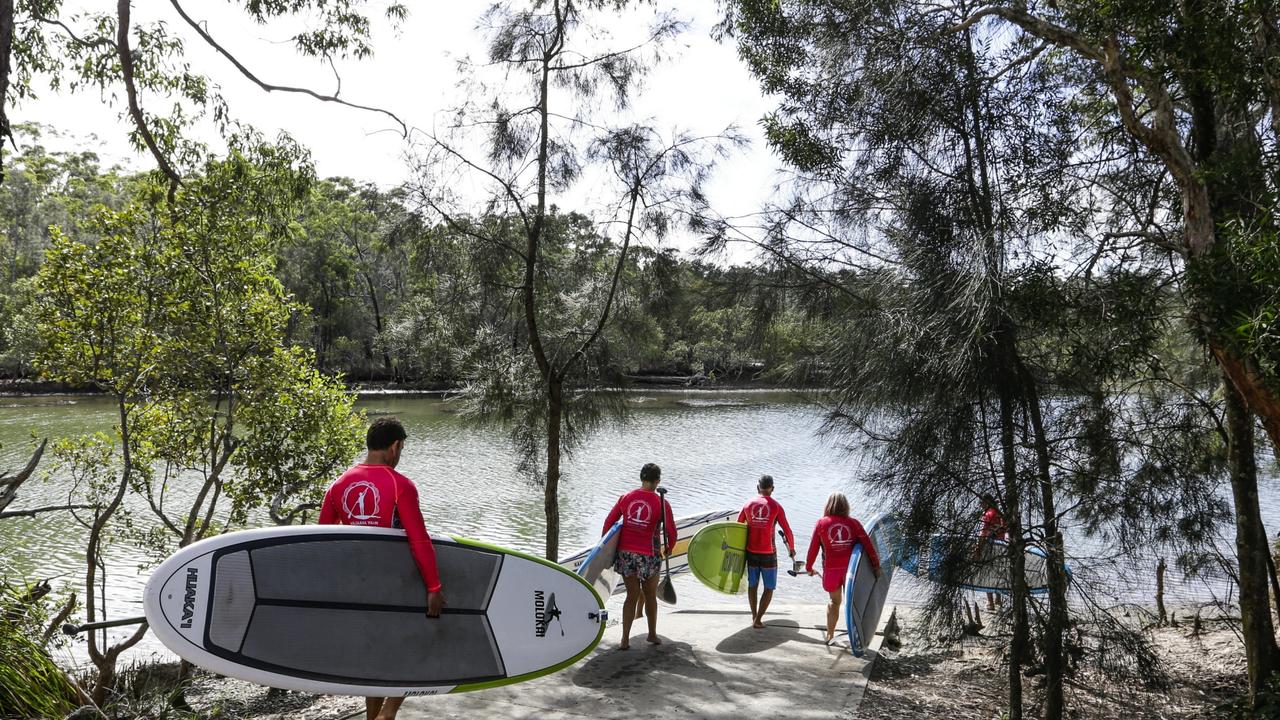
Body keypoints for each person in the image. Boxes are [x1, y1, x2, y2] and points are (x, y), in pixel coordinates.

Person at [318, 417, 445, 720]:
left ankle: (375, 716)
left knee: (372, 655)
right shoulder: (400, 485)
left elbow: (323, 539)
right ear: (394, 446)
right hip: (395, 585)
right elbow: (419, 540)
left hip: (357, 587)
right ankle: (390, 709)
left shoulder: (338, 484)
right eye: (401, 449)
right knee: (415, 645)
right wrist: (434, 587)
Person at [602, 462, 675, 649]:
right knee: (650, 596)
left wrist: (606, 549)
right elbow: (671, 532)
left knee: (631, 595)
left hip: (626, 555)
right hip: (649, 555)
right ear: (657, 481)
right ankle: (651, 634)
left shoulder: (626, 498)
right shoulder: (661, 503)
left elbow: (609, 522)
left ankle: (625, 639)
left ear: (641, 478)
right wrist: (670, 548)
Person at [805, 492, 879, 645]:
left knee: (834, 602)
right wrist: (876, 565)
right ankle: (855, 636)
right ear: (846, 506)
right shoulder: (854, 523)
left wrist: (808, 567)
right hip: (851, 572)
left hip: (831, 572)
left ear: (828, 505)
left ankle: (830, 635)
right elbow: (868, 546)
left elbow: (813, 549)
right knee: (852, 604)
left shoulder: (821, 523)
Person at [737, 474, 796, 629]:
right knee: (769, 587)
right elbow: (787, 530)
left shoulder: (748, 504)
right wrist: (792, 548)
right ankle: (758, 619)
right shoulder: (776, 506)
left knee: (753, 585)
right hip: (769, 553)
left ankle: (753, 615)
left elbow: (737, 528)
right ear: (772, 489)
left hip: (751, 552)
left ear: (758, 488)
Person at [973, 493, 1007, 611]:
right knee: (997, 572)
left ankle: (991, 603)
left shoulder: (988, 514)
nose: (981, 505)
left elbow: (984, 533)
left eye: (982, 502)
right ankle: (999, 600)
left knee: (987, 573)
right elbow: (1005, 528)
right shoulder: (999, 513)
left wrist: (978, 550)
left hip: (989, 546)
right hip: (1000, 546)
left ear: (987, 502)